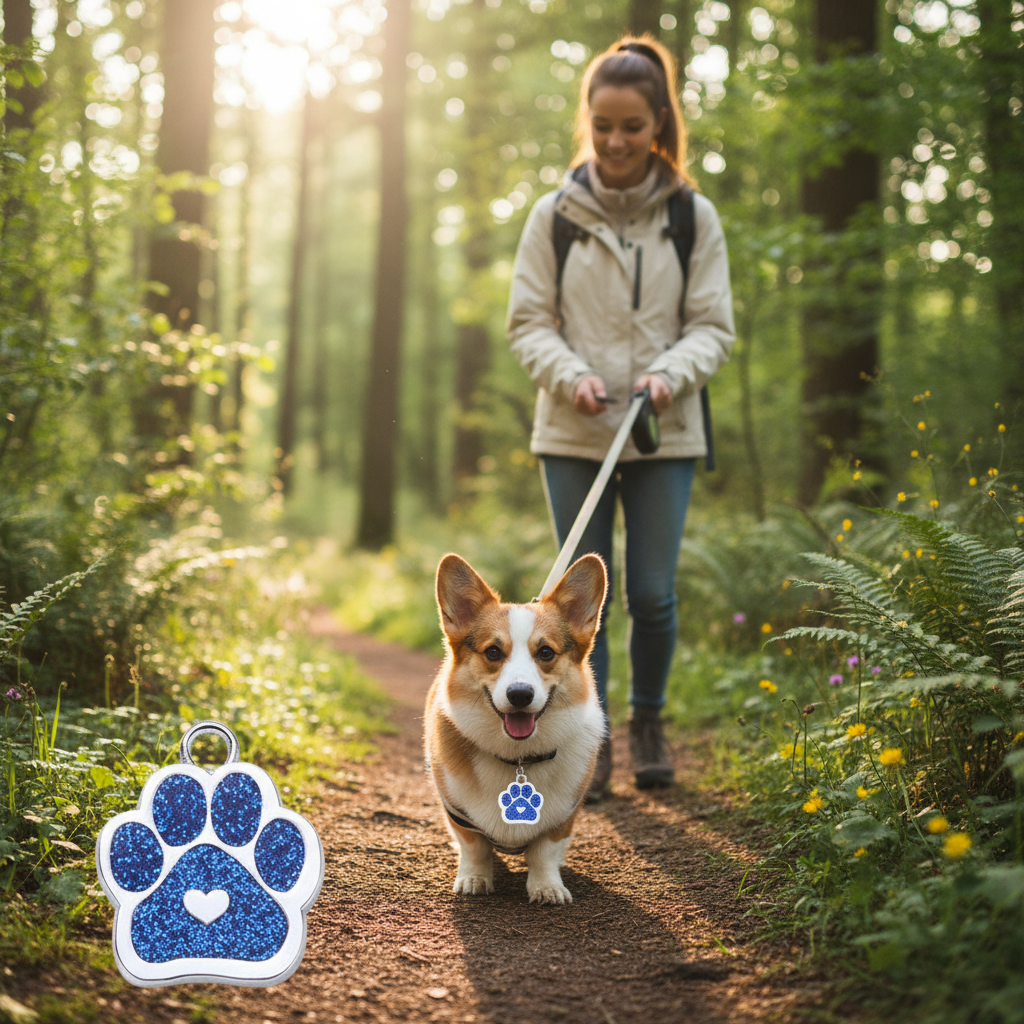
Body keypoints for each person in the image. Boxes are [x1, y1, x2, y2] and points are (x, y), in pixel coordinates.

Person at [505, 35, 735, 800]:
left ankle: (649, 722)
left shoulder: (693, 218)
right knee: (572, 608)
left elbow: (713, 325)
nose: (615, 141)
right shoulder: (554, 216)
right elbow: (528, 321)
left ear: (659, 122)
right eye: (602, 124)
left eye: (632, 125)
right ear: (588, 120)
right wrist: (571, 377)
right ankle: (587, 738)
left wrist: (669, 376)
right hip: (573, 432)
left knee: (653, 594)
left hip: (663, 432)